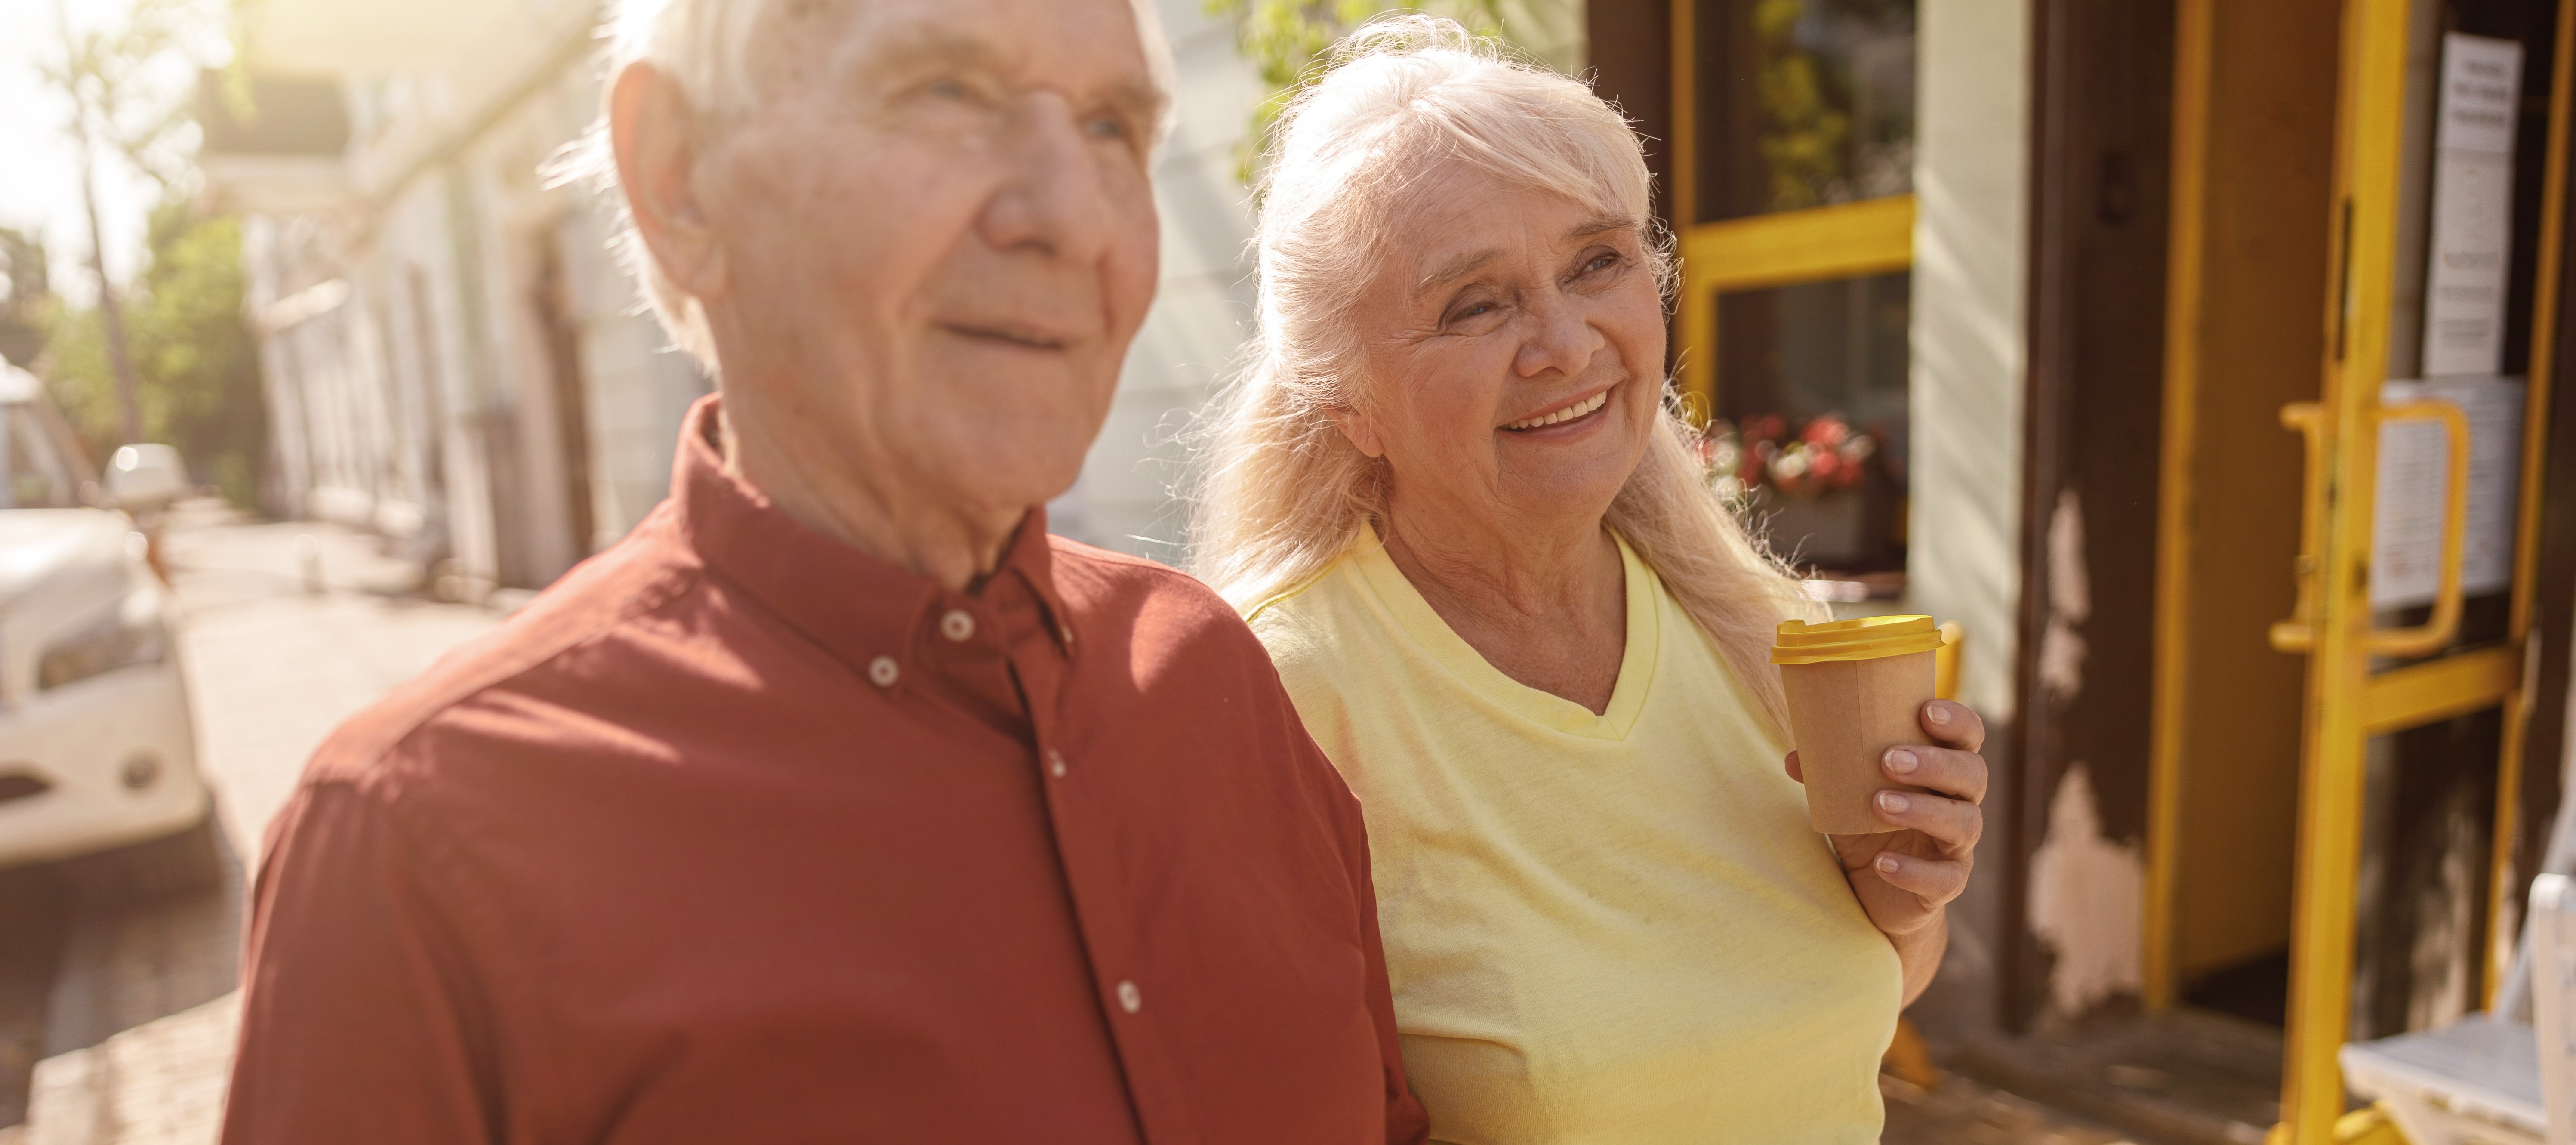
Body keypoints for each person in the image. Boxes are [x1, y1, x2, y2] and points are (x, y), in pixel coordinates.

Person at [219, 0, 1429, 1141]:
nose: (1076, 214)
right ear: (680, 180)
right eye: (948, 91)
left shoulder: (1209, 673)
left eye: (1113, 126)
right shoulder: (414, 851)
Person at [1194, 19, 1987, 1143]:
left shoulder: (1750, 627)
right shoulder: (1275, 698)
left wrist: (1903, 896)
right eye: (1475, 303)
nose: (1563, 343)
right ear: (1344, 404)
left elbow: (1834, 1011)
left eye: (1595, 261)